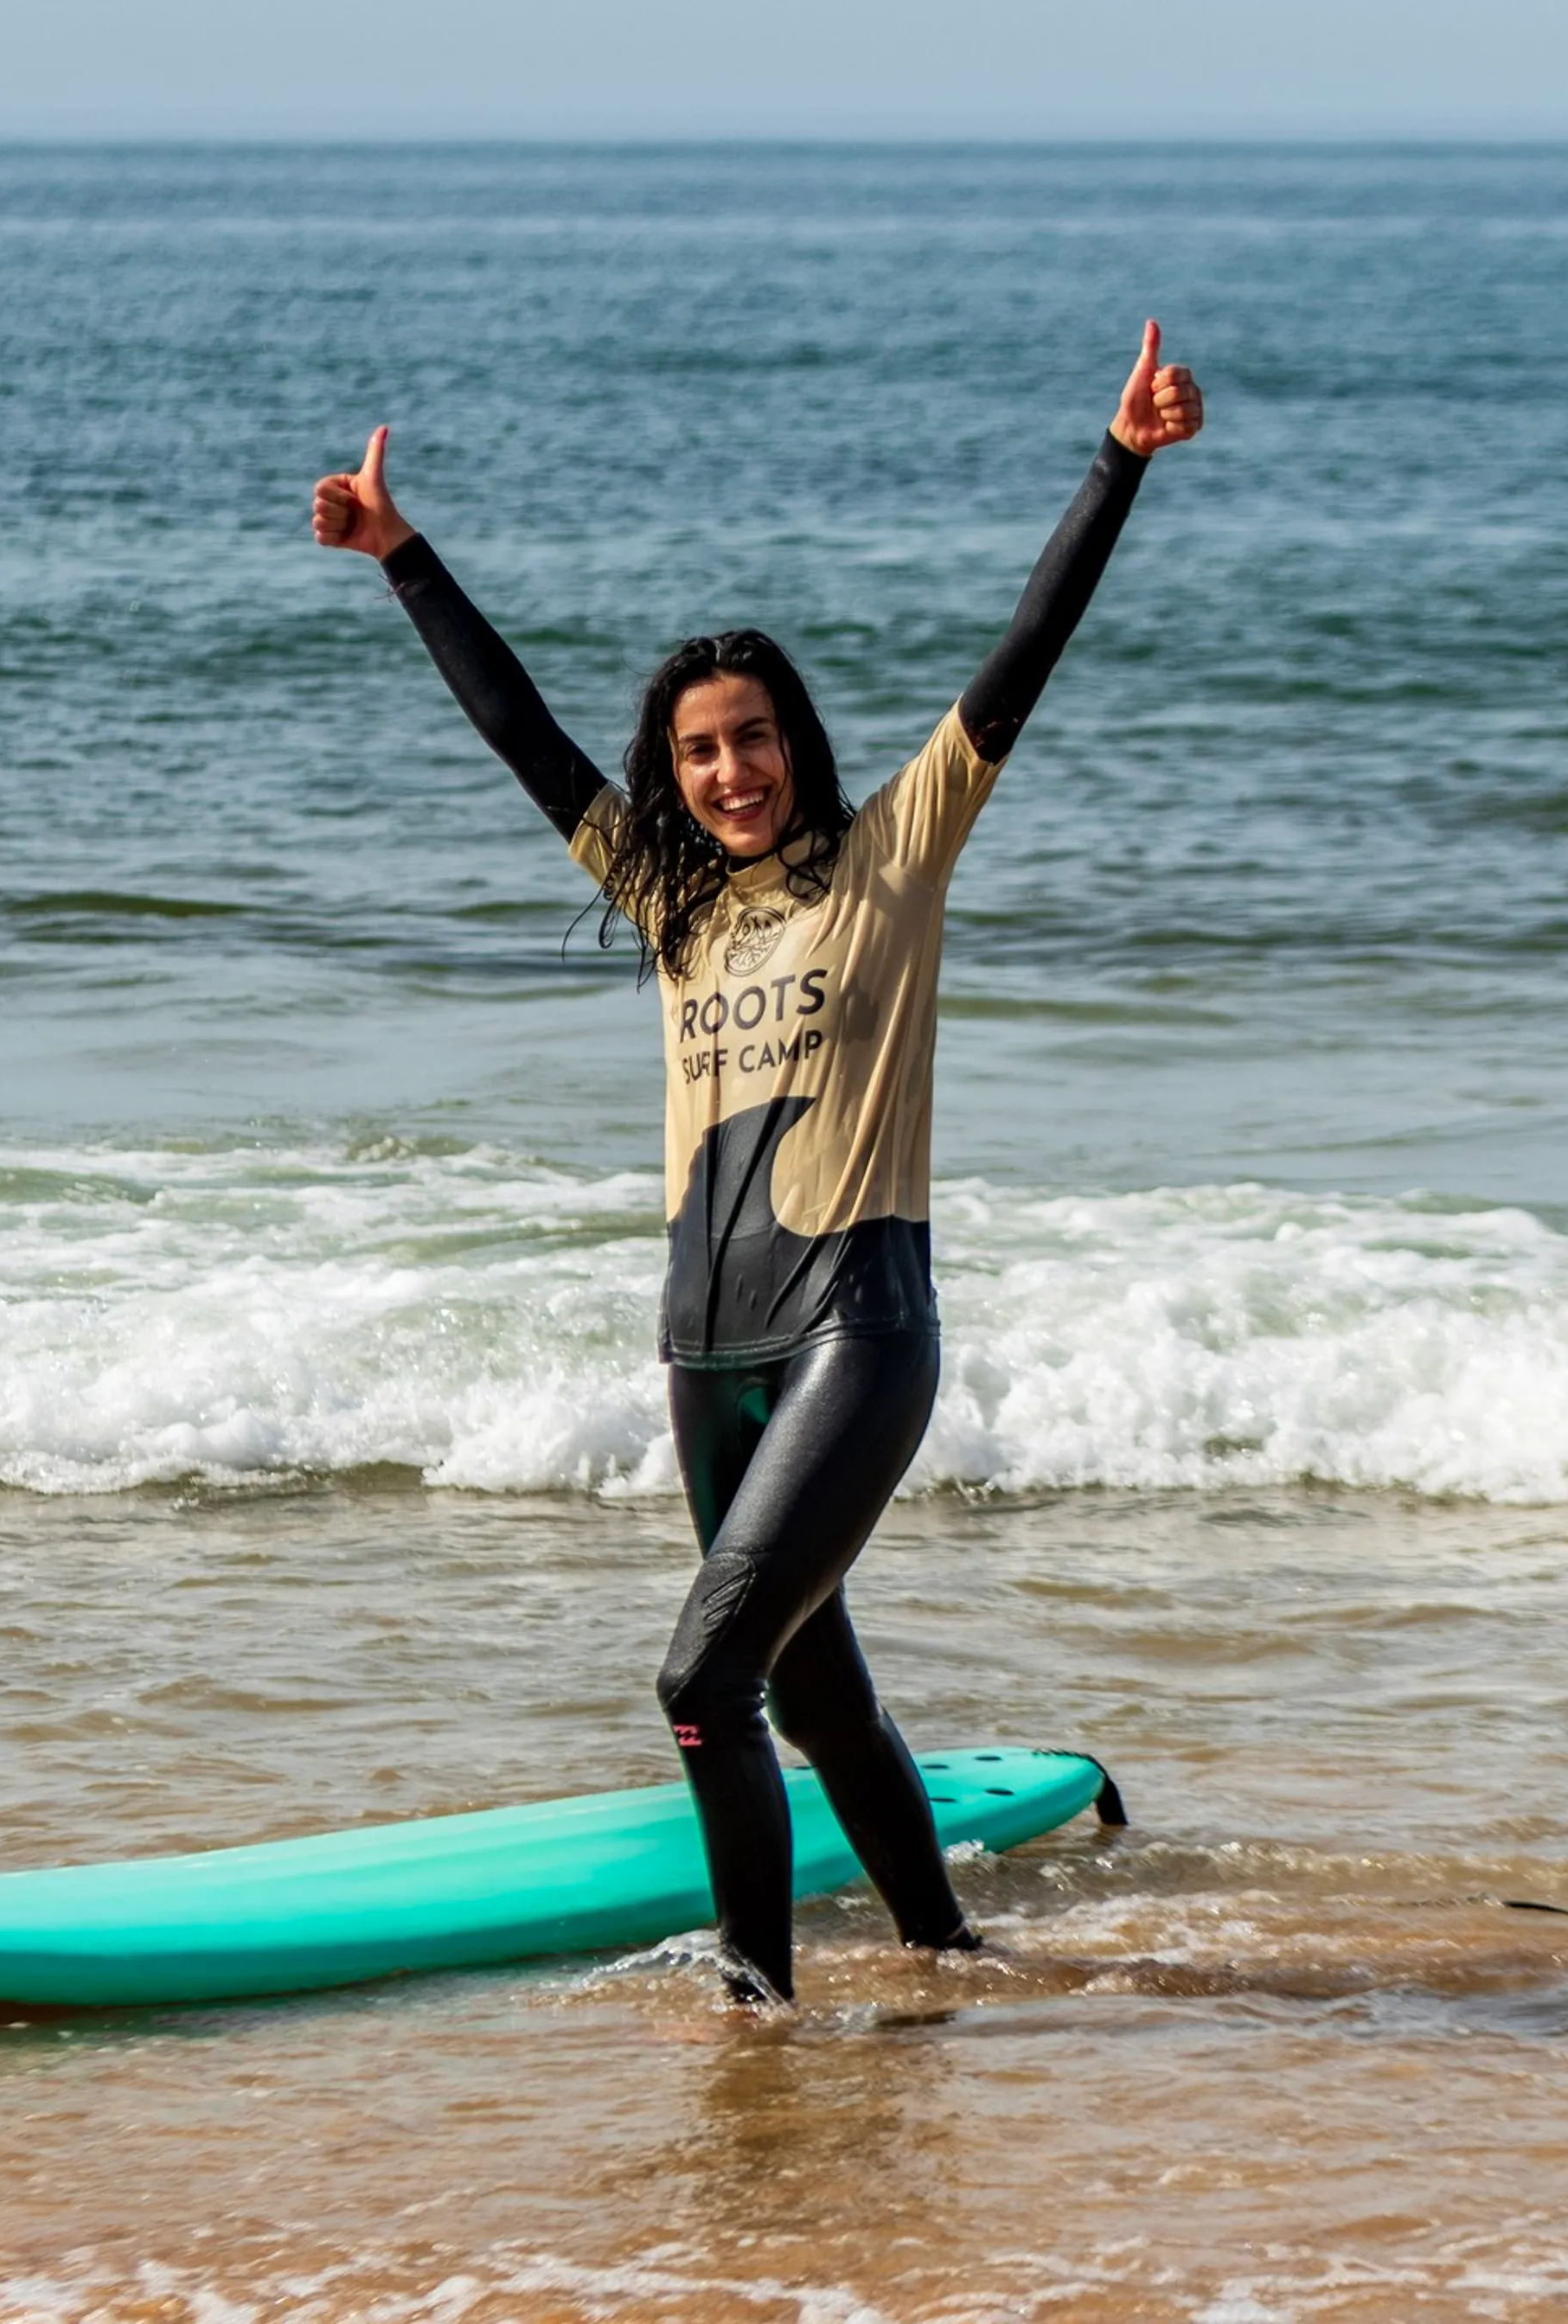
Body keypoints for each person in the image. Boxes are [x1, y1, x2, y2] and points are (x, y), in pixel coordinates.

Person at [311, 324, 1203, 2004]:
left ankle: (756, 1989)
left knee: (705, 1673)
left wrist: (1120, 460)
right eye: (702, 747)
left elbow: (1023, 652)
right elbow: (528, 740)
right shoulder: (671, 901)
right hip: (704, 1348)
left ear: (799, 738)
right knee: (806, 1690)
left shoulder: (894, 853)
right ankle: (945, 1946)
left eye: (757, 735)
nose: (733, 767)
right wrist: (400, 555)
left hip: (859, 1325)